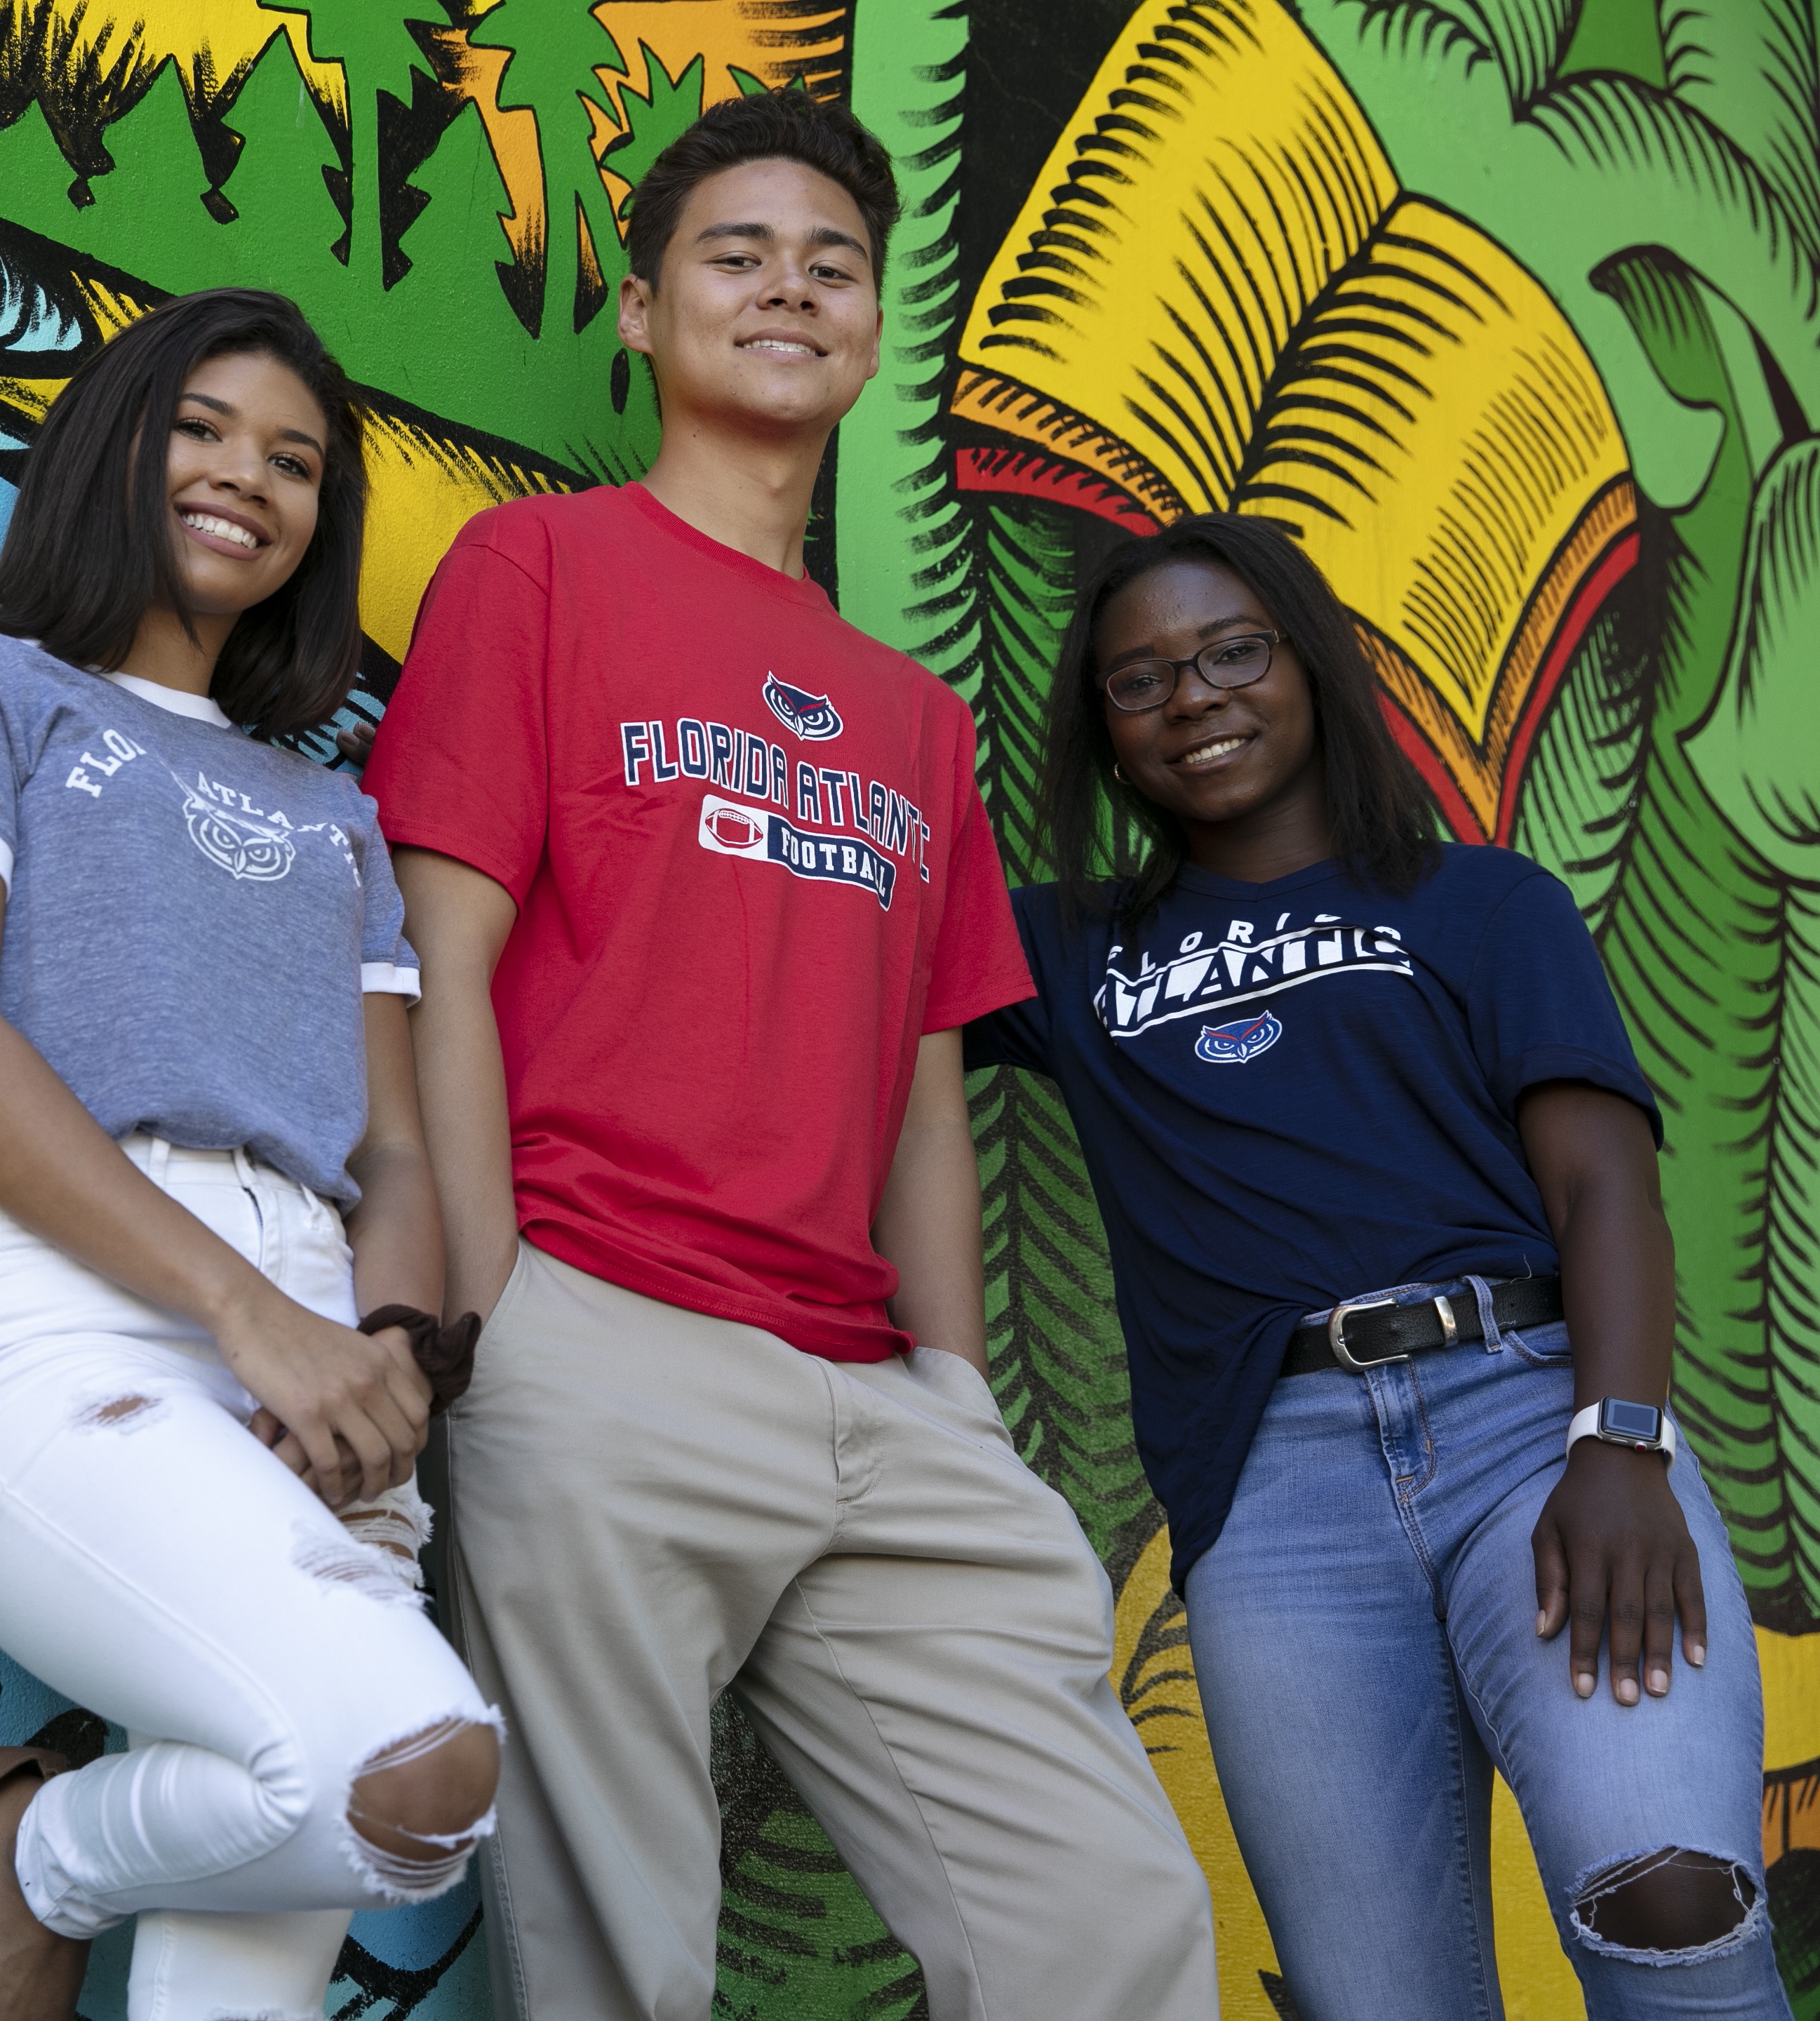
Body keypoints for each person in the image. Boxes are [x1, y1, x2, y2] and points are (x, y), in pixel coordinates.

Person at [361, 86, 1217, 2021]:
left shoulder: (914, 717)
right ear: (646, 314)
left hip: (876, 1400)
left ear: (871, 329)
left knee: (1107, 1930)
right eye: (736, 255)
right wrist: (494, 1319)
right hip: (600, 1341)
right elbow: (440, 952)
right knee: (621, 1965)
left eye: (834, 265)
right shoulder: (541, 571)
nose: (790, 290)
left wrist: (959, 1393)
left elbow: (923, 1078)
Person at [967, 512, 1786, 2017]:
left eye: (1230, 652)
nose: (1193, 696)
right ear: (1104, 731)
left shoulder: (1482, 902)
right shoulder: (1070, 953)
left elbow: (1604, 1183)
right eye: (1138, 681)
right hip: (1278, 1506)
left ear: (1308, 666)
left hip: (1526, 1429)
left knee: (1664, 1894)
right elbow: (831, 939)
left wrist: (1619, 1444)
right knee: (1377, 2001)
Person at [0, 287, 500, 2021]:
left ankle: (39, 1854)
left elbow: (399, 1156)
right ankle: (41, 1859)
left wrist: (389, 1358)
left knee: (276, 1959)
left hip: (329, 1366)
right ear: (113, 445)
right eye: (201, 428)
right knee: (410, 1771)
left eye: (293, 461)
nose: (245, 479)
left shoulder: (329, 808)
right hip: (79, 1321)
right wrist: (239, 1309)